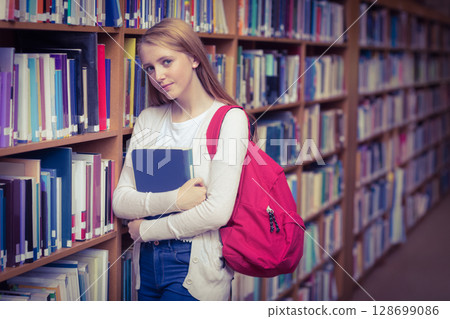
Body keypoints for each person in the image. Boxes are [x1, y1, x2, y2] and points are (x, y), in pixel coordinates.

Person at [112, 18, 249, 301]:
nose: (157, 75)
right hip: (146, 265)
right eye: (150, 68)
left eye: (166, 62)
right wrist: (176, 200)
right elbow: (121, 200)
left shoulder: (229, 119)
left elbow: (216, 212)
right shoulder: (149, 119)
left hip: (194, 266)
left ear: (194, 58)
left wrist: (145, 228)